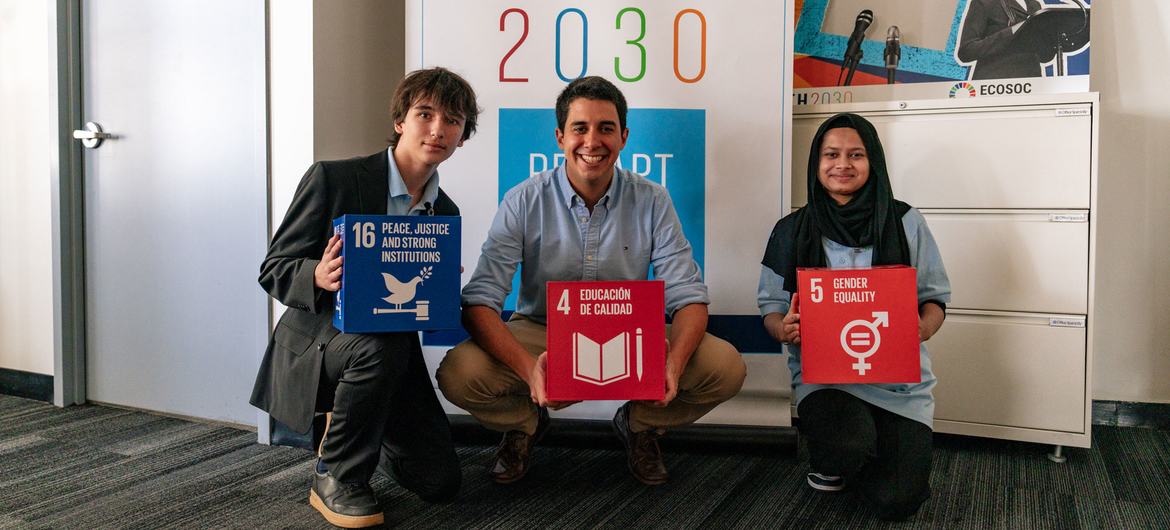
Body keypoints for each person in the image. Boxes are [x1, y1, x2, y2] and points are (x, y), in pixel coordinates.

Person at [437, 76, 745, 487]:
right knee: (458, 373)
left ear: (624, 137)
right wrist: (532, 372)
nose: (592, 141)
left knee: (725, 367)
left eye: (606, 128)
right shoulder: (523, 199)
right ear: (560, 136)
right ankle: (526, 424)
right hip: (542, 332)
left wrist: (672, 364)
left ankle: (639, 424)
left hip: (629, 336)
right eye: (580, 128)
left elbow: (688, 296)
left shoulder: (653, 199)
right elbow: (480, 300)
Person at [250, 67, 480, 528]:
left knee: (441, 483)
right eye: (425, 114)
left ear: (462, 136)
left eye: (453, 120)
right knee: (381, 346)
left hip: (390, 351)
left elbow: (421, 311)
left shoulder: (444, 212)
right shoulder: (334, 179)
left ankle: (363, 426)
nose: (438, 129)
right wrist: (317, 272)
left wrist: (437, 286)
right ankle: (335, 473)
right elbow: (273, 269)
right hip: (322, 339)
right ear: (400, 121)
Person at [757, 113, 950, 521]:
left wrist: (923, 327)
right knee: (844, 445)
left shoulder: (904, 221)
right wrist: (784, 328)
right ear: (816, 163)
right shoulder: (792, 228)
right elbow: (770, 309)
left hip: (900, 386)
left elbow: (935, 300)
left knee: (898, 503)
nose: (842, 164)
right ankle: (838, 457)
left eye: (855, 154)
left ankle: (876, 451)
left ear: (873, 161)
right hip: (826, 381)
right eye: (831, 154)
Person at [956, 0, 1055, 80]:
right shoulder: (984, 2)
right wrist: (1012, 31)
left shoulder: (1035, 5)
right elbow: (966, 51)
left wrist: (1052, 38)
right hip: (995, 84)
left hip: (1032, 84)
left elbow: (1045, 57)